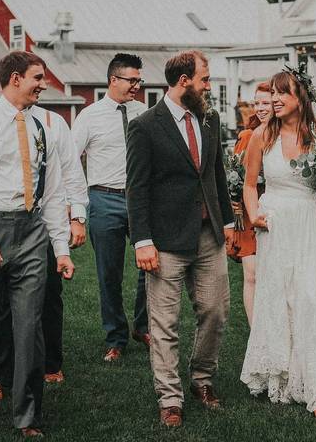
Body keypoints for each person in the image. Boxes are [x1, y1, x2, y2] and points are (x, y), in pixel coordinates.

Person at [0, 51, 75, 436]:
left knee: (29, 330)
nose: (44, 84)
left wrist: (62, 250)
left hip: (32, 231)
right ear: (16, 78)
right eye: (38, 77)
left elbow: (53, 194)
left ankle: (27, 416)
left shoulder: (44, 127)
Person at [126, 49, 234, 428]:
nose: (209, 85)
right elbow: (136, 188)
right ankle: (169, 398)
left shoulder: (210, 119)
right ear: (184, 81)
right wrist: (142, 240)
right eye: (205, 79)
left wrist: (229, 221)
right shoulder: (145, 126)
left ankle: (202, 379)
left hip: (209, 235)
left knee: (216, 311)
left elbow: (216, 173)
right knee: (164, 324)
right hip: (165, 240)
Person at [240, 68, 316, 418]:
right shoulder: (261, 135)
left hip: (312, 221)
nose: (274, 100)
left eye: (282, 93)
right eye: (272, 93)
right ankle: (282, 377)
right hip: (275, 224)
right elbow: (250, 184)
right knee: (280, 297)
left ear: (301, 98)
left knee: (314, 296)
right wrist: (254, 215)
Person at [0, 104, 88, 401]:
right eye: (37, 78)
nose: (42, 85)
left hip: (45, 222)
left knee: (49, 294)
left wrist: (78, 216)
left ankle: (50, 363)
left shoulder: (53, 122)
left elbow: (71, 170)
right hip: (2, 224)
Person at [72, 53, 149, 362]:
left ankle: (143, 326)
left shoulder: (144, 112)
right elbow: (70, 160)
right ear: (113, 80)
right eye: (132, 80)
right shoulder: (89, 117)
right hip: (104, 199)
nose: (137, 86)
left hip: (141, 199)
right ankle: (115, 337)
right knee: (109, 273)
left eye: (139, 80)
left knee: (152, 265)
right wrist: (76, 205)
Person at [226, 81, 273, 324]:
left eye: (266, 103)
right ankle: (256, 331)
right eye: (257, 103)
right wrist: (235, 201)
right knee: (252, 274)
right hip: (247, 212)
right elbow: (236, 176)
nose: (261, 108)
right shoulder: (246, 136)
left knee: (273, 275)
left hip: (275, 209)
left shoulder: (284, 135)